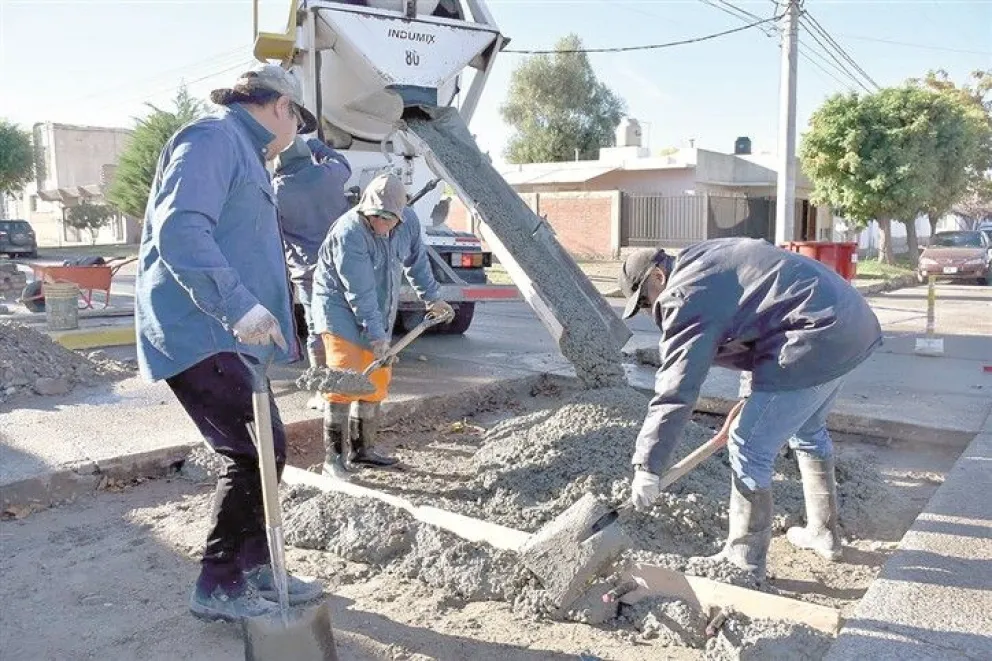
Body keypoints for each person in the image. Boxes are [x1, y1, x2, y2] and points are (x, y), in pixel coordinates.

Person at [135, 63, 324, 622]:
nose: (297, 133)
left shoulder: (245, 151)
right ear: (281, 107)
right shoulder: (214, 138)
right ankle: (218, 583)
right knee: (248, 452)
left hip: (225, 334)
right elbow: (180, 229)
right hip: (200, 327)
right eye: (299, 119)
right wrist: (236, 302)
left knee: (266, 449)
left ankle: (256, 565)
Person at [618, 238, 882, 581]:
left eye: (643, 301)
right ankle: (823, 532)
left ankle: (744, 561)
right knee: (808, 430)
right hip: (850, 325)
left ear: (657, 277)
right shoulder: (705, 260)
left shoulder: (684, 295)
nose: (648, 309)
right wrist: (750, 395)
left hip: (815, 338)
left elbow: (677, 388)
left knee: (748, 445)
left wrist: (648, 466)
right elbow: (759, 317)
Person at [311, 173, 453, 479]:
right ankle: (333, 459)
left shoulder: (409, 224)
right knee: (344, 375)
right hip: (339, 307)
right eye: (375, 216)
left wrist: (433, 299)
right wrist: (377, 337)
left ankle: (362, 451)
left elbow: (417, 263)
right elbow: (358, 293)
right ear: (365, 209)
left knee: (376, 376)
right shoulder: (350, 232)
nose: (381, 224)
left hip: (378, 303)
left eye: (389, 218)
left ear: (400, 216)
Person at [272, 134, 352, 410]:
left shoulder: (276, 191)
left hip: (307, 272)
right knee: (346, 326)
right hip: (341, 265)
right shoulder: (328, 174)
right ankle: (350, 386)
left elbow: (273, 233)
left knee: (317, 329)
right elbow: (344, 163)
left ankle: (323, 392)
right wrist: (316, 144)